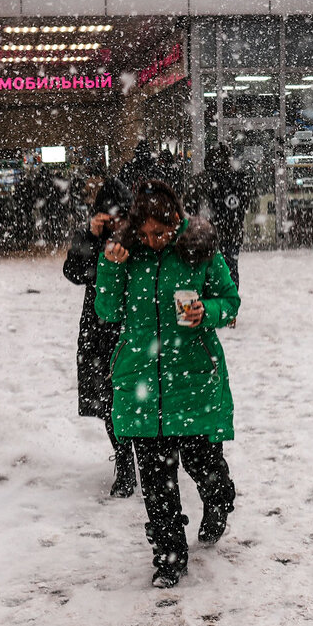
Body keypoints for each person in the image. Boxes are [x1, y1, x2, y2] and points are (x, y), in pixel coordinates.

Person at [95, 180, 240, 588]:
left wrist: (206, 312)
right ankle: (169, 558)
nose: (153, 241)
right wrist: (110, 264)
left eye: (160, 233)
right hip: (141, 381)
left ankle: (218, 500)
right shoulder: (128, 254)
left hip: (191, 379)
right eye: (145, 234)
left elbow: (230, 301)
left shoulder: (198, 251)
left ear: (176, 220)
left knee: (203, 463)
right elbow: (106, 311)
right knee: (157, 483)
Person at [63, 176, 137, 498]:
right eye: (108, 217)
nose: (114, 223)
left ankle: (146, 460)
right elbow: (73, 273)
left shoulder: (137, 237)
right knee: (108, 401)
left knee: (136, 396)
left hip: (133, 325)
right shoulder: (92, 236)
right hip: (97, 327)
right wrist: (91, 236)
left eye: (119, 217)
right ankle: (123, 462)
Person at [201, 143, 251, 288]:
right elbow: (243, 204)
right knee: (231, 270)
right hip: (231, 233)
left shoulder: (206, 180)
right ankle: (229, 299)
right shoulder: (237, 180)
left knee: (211, 272)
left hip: (212, 234)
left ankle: (220, 299)